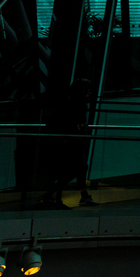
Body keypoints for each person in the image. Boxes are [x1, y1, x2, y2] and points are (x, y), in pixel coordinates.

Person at [37, 78, 97, 209]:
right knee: (77, 169)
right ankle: (49, 195)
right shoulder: (76, 105)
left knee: (79, 168)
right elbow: (74, 123)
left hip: (72, 141)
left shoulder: (71, 103)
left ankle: (83, 195)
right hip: (73, 142)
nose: (88, 94)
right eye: (87, 91)